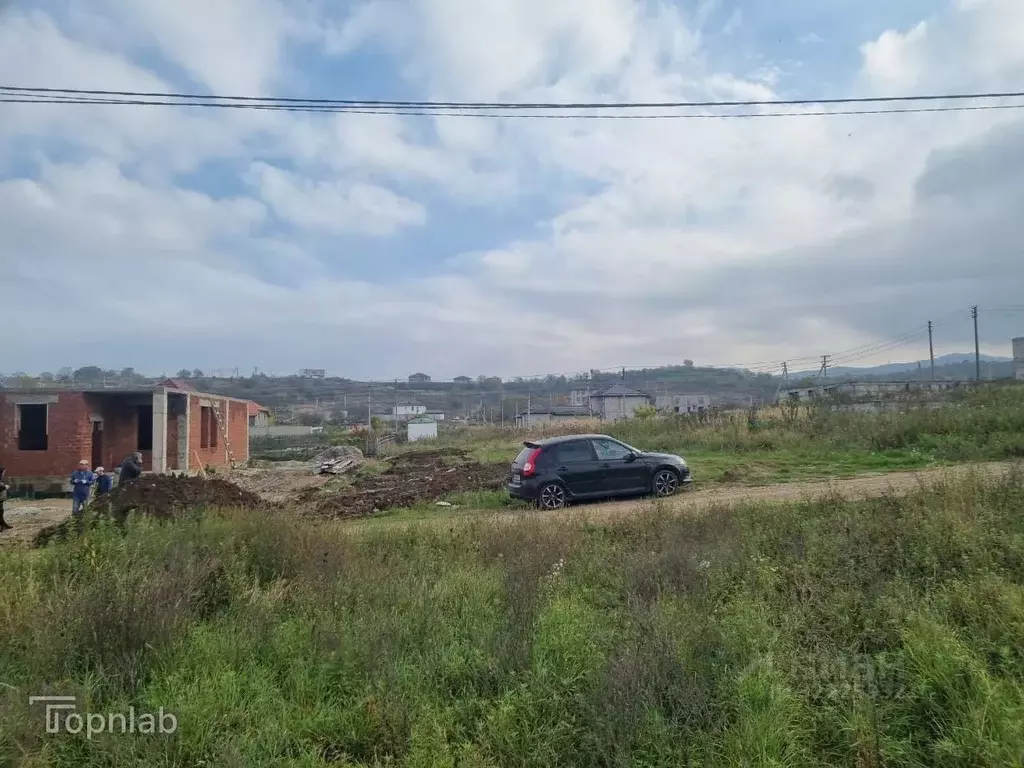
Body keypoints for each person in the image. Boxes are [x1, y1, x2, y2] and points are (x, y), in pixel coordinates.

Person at [70, 460, 95, 525]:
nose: (82, 466)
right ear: (79, 465)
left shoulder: (90, 473)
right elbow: (71, 482)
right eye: (81, 464)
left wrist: (86, 481)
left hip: (86, 494)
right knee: (75, 509)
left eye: (84, 465)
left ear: (87, 465)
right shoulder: (75, 473)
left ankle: (86, 523)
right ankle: (74, 523)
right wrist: (74, 481)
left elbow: (92, 482)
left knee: (86, 509)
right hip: (77, 494)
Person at [0, 467, 10, 532]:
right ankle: (1, 527)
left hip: (0, 499)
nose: (4, 474)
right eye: (3, 472)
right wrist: (5, 487)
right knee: (0, 512)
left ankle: (3, 524)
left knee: (1, 512)